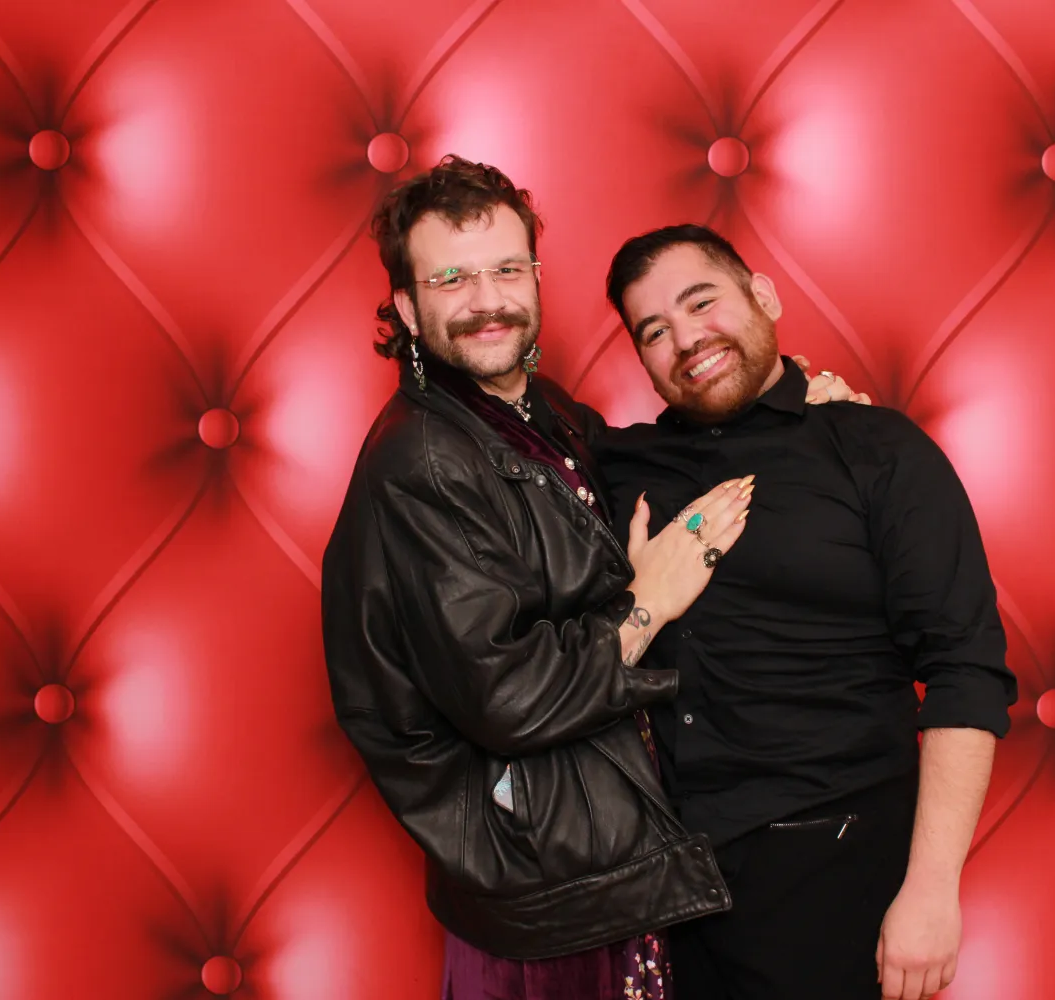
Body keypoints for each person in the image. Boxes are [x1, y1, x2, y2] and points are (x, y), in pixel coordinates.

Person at [319, 156, 863, 1000]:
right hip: (547, 901)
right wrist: (648, 602)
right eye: (451, 278)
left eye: (505, 269)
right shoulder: (422, 462)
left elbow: (660, 467)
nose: (486, 299)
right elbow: (504, 697)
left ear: (535, 278)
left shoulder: (541, 415)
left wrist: (794, 410)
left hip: (606, 867)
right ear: (406, 307)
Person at [592, 224, 1019, 1000]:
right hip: (667, 897)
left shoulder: (877, 448)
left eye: (702, 302)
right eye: (655, 331)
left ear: (763, 297)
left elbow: (965, 671)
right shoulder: (614, 466)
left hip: (838, 867)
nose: (687, 339)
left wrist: (931, 891)